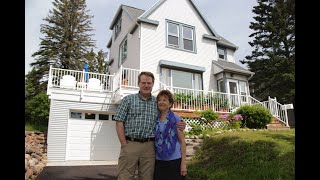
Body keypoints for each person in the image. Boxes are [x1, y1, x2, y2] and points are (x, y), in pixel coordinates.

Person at [113, 71, 186, 180]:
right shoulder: (128, 100)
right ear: (139, 84)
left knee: (147, 177)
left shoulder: (156, 103)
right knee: (125, 176)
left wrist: (181, 123)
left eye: (149, 83)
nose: (146, 85)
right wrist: (124, 144)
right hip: (130, 144)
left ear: (152, 84)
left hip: (149, 147)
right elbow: (119, 122)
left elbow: (168, 116)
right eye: (143, 83)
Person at [153, 90, 187, 180]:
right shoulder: (155, 119)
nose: (161, 102)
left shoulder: (176, 118)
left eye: (164, 100)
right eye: (159, 100)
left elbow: (182, 142)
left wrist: (183, 164)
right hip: (159, 161)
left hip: (174, 161)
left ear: (170, 103)